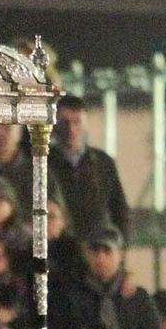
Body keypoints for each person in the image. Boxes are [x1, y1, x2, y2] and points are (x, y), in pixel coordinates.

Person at [50, 225, 163, 329]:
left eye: (107, 251)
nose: (100, 258)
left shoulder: (137, 297)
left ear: (121, 254)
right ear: (87, 254)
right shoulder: (70, 294)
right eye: (95, 251)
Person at [50, 94, 129, 243]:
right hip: (60, 245)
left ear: (85, 123)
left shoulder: (103, 163)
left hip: (96, 244)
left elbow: (119, 208)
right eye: (65, 123)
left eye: (77, 122)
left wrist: (121, 245)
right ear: (55, 124)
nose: (71, 129)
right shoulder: (45, 162)